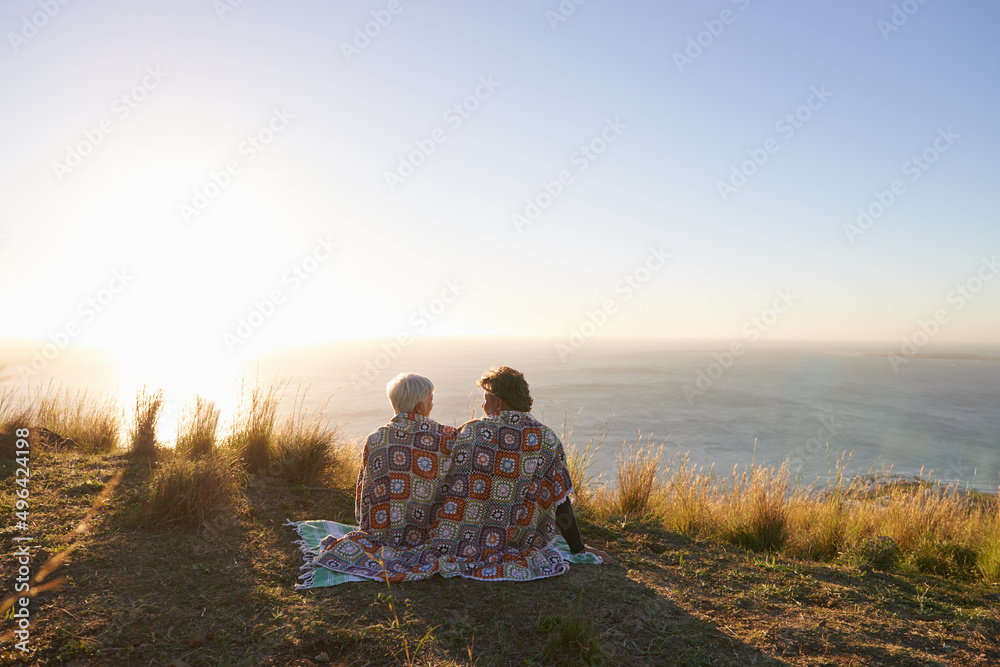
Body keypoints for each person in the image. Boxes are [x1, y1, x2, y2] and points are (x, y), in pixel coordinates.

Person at [467, 366, 612, 564]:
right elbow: (561, 500)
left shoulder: (475, 432)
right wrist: (578, 547)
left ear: (498, 403)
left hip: (478, 538)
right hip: (528, 539)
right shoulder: (547, 438)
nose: (483, 406)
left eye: (485, 400)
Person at [351, 372, 456, 549]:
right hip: (430, 534)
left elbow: (364, 489)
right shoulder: (446, 438)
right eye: (430, 399)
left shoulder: (377, 439)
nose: (432, 403)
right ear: (419, 407)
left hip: (383, 533)